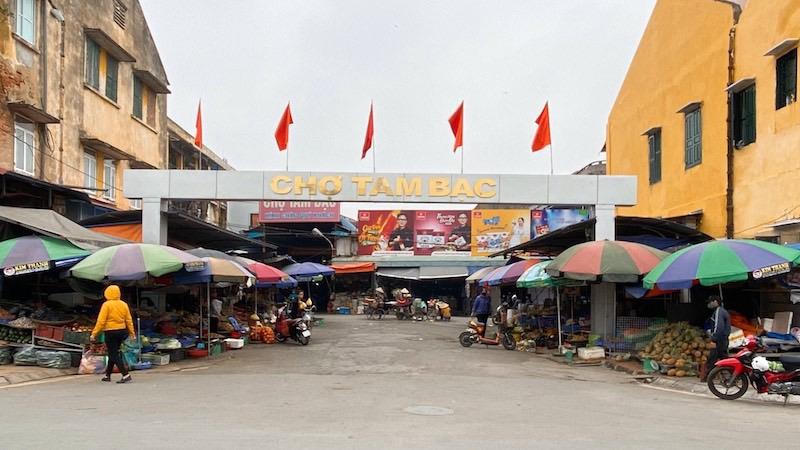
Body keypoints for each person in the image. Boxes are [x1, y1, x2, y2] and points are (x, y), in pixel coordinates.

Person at [90, 285, 135, 384]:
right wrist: (132, 333)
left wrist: (94, 333)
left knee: (113, 354)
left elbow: (101, 321)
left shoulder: (106, 305)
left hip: (110, 332)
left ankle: (125, 375)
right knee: (113, 352)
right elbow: (129, 320)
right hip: (122, 331)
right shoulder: (124, 304)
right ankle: (108, 375)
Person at [703, 295, 731, 381]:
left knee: (713, 358)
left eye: (710, 302)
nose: (709, 304)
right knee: (722, 358)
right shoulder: (722, 311)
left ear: (715, 302)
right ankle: (731, 376)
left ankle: (709, 377)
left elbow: (718, 327)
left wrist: (714, 339)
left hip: (719, 340)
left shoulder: (719, 311)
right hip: (723, 339)